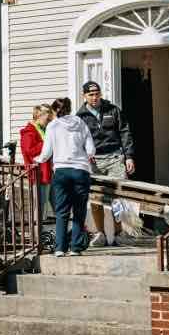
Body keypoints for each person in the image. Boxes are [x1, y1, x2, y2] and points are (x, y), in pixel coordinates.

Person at [76, 81, 135, 246]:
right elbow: (78, 140)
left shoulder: (113, 109)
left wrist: (129, 156)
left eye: (97, 94)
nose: (94, 98)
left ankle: (118, 233)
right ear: (84, 96)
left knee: (118, 197)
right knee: (96, 198)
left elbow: (125, 132)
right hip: (94, 162)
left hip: (115, 157)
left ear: (100, 94)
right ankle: (100, 233)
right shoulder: (80, 116)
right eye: (90, 95)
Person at [35, 97, 96, 257]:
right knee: (79, 210)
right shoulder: (80, 123)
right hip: (80, 170)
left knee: (61, 211)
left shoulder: (53, 126)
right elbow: (90, 148)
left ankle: (60, 248)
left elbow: (46, 152)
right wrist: (89, 154)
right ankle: (76, 248)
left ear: (54, 111)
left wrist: (38, 160)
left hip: (61, 171)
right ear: (69, 109)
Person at [19, 104, 55, 221]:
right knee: (40, 207)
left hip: (50, 173)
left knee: (59, 205)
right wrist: (46, 143)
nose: (49, 120)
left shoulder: (45, 130)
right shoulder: (29, 132)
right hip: (39, 175)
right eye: (47, 117)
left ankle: (64, 234)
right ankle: (38, 236)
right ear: (38, 116)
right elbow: (29, 151)